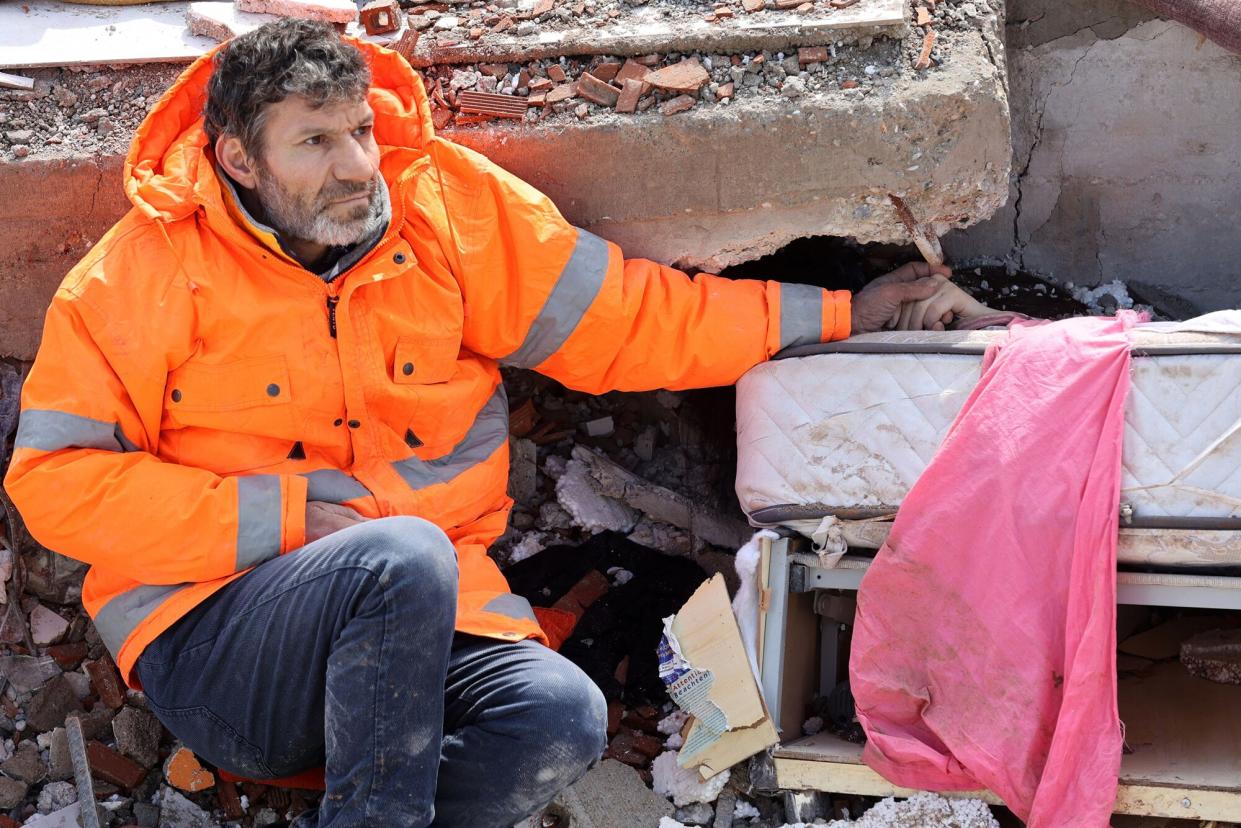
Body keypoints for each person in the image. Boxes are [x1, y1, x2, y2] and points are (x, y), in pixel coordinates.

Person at [4, 20, 990, 827]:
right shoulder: (138, 273)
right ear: (237, 158)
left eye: (358, 130)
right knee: (400, 557)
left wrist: (843, 314)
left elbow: (638, 323)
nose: (357, 165)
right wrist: (285, 518)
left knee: (559, 720)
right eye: (315, 141)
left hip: (418, 620)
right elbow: (54, 484)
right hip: (220, 645)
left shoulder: (445, 213)